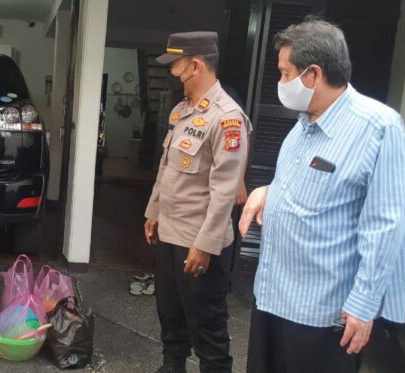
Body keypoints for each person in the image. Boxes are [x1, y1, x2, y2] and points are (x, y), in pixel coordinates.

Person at [239, 18, 405, 373]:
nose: (281, 83)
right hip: (272, 297)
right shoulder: (303, 124)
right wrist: (266, 191)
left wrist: (363, 306)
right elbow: (308, 186)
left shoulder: (378, 127)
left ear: (313, 75)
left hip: (321, 314)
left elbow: (385, 225)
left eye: (286, 74)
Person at [144, 31, 250, 373]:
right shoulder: (181, 111)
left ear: (195, 64)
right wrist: (153, 213)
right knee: (170, 315)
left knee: (207, 325)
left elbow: (224, 191)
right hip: (170, 233)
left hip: (200, 241)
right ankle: (171, 366)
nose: (171, 71)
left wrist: (204, 245)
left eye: (174, 65)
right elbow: (166, 169)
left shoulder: (228, 118)